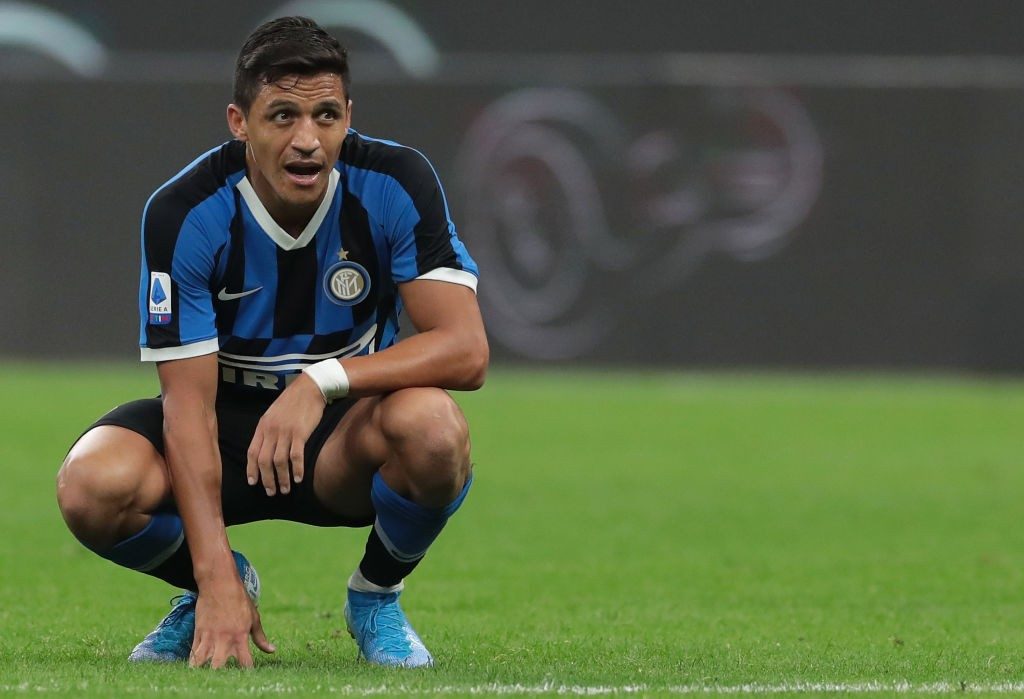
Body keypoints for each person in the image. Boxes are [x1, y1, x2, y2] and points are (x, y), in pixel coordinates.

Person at [55, 16, 487, 670]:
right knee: (91, 482)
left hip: (341, 440)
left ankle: (375, 596)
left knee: (435, 428)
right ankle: (218, 586)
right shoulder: (185, 211)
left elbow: (466, 349)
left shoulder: (396, 182)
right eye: (283, 116)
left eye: (325, 116)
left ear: (348, 117)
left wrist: (321, 382)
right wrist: (214, 578)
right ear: (240, 122)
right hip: (220, 433)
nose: (307, 140)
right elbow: (187, 409)